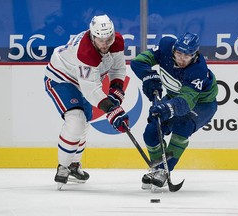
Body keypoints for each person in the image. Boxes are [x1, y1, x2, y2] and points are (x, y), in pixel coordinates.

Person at [44, 14, 129, 187]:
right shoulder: (85, 51)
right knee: (76, 120)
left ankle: (74, 164)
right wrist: (111, 109)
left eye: (109, 39)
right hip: (62, 78)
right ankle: (63, 165)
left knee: (84, 123)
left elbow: (118, 69)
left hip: (84, 81)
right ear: (92, 36)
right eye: (100, 40)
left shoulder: (116, 41)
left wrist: (116, 93)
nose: (105, 44)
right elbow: (91, 90)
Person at [130, 32, 218, 189]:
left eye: (187, 55)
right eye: (179, 53)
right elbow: (138, 62)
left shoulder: (198, 70)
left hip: (203, 104)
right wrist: (149, 76)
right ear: (173, 50)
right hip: (174, 96)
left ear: (195, 54)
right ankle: (157, 167)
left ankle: (164, 170)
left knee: (182, 125)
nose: (182, 59)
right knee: (151, 132)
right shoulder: (165, 46)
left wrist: (167, 108)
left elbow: (186, 102)